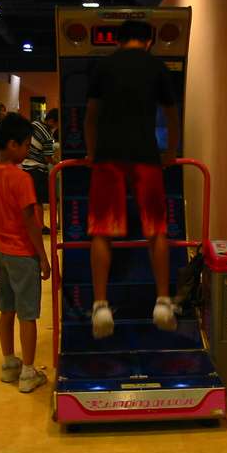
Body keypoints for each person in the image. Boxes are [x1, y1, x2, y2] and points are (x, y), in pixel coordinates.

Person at [84, 20, 179, 339]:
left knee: (101, 230)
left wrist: (91, 152)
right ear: (149, 41)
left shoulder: (104, 66)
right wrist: (171, 152)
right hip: (146, 155)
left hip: (108, 156)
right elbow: (171, 114)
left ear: (117, 41)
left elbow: (91, 115)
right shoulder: (156, 67)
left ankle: (100, 305)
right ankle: (162, 302)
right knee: (156, 229)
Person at [0, 112, 51, 393]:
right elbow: (30, 222)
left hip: (1, 252)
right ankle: (28, 372)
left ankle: (9, 364)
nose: (28, 150)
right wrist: (43, 257)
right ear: (13, 144)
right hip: (23, 254)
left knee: (6, 309)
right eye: (26, 145)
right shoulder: (21, 178)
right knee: (27, 314)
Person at [21, 120, 55, 234]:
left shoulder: (34, 124)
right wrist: (58, 163)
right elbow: (47, 158)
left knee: (29, 199)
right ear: (53, 121)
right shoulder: (47, 135)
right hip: (38, 169)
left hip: (25, 166)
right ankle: (40, 226)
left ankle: (31, 224)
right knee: (38, 200)